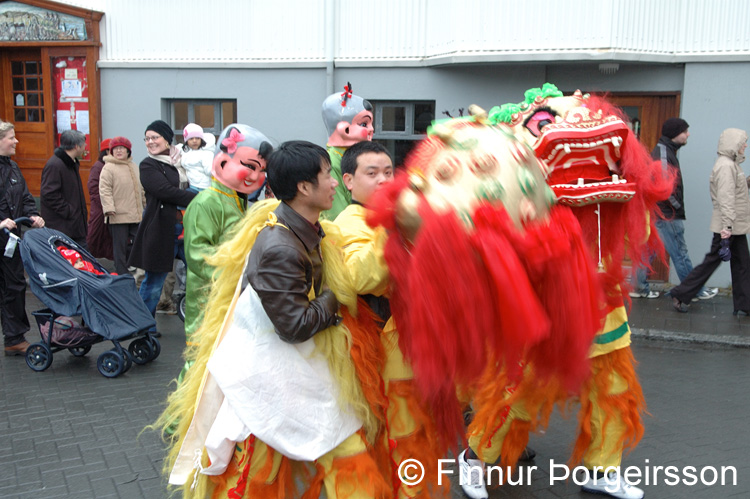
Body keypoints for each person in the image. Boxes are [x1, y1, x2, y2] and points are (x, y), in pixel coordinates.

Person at [160, 141, 390, 498]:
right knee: (258, 475)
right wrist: (337, 292)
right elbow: (294, 327)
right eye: (327, 175)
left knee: (341, 458)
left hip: (297, 372)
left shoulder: (304, 226)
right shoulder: (281, 246)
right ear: (303, 187)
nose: (333, 184)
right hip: (271, 377)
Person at [334, 141, 449, 497]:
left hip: (416, 345)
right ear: (348, 181)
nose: (384, 180)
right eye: (372, 174)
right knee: (400, 436)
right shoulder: (348, 221)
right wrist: (394, 225)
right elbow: (359, 278)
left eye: (388, 172)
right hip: (385, 354)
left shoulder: (403, 215)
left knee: (415, 432)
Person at [183, 123, 272, 349]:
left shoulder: (240, 203)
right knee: (202, 359)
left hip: (233, 295)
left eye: (262, 170)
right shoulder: (206, 202)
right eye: (250, 166)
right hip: (209, 296)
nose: (256, 176)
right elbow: (198, 254)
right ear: (222, 163)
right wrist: (235, 272)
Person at [631, 118, 718, 301]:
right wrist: (676, 205)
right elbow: (663, 186)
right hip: (668, 213)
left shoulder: (667, 151)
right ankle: (693, 290)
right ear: (674, 133)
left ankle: (639, 287)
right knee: (680, 252)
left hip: (660, 211)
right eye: (685, 131)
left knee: (649, 249)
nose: (688, 134)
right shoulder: (664, 152)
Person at [671, 128, 750, 315]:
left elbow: (733, 191)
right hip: (729, 224)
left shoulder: (730, 164)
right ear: (734, 144)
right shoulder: (726, 166)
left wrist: (746, 183)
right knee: (713, 261)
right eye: (743, 142)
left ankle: (745, 304)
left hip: (733, 224)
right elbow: (726, 198)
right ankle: (681, 294)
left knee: (741, 264)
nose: (745, 145)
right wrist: (727, 227)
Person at [128, 120, 196, 323]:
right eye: (147, 138)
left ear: (167, 139)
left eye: (154, 137)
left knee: (200, 274)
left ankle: (202, 321)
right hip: (161, 229)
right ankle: (143, 325)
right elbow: (164, 191)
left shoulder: (185, 161)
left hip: (188, 228)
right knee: (154, 282)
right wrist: (199, 197)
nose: (150, 142)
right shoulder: (148, 165)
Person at [0, 121, 45, 356]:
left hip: (10, 241)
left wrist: (33, 215)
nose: (16, 141)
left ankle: (14, 338)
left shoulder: (14, 168)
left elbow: (26, 198)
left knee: (14, 286)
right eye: (11, 137)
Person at [320, 82, 374, 220]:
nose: (371, 129)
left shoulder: (354, 157)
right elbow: (336, 216)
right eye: (364, 124)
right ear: (345, 129)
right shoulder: (330, 162)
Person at [99, 136, 145, 276]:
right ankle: (121, 274)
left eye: (122, 148)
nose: (119, 151)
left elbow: (141, 189)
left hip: (135, 214)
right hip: (117, 215)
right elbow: (104, 189)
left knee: (137, 243)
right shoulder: (108, 168)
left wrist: (145, 204)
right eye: (116, 149)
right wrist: (109, 208)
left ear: (128, 151)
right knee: (119, 248)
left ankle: (135, 271)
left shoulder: (134, 166)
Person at [40, 129, 88, 248]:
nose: (86, 146)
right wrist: (69, 211)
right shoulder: (55, 165)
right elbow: (49, 194)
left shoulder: (71, 163)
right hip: (63, 227)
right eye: (84, 144)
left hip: (75, 226)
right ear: (77, 146)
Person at [86, 138, 114, 260]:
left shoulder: (112, 166)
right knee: (95, 237)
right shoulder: (98, 167)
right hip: (100, 210)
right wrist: (106, 204)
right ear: (107, 151)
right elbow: (93, 189)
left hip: (112, 209)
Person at [181, 123, 214, 193]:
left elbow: (210, 171)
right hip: (191, 186)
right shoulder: (186, 151)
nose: (194, 141)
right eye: (191, 138)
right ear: (186, 141)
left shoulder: (206, 153)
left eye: (197, 138)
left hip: (203, 188)